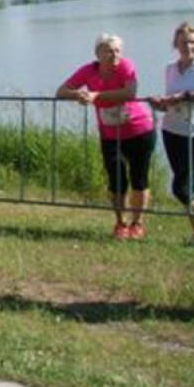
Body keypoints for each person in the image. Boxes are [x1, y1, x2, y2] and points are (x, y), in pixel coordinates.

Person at [58, 33, 156, 239]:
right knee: (116, 180)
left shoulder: (126, 67)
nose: (114, 55)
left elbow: (130, 92)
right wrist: (80, 94)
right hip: (110, 134)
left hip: (139, 130)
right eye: (109, 50)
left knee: (139, 178)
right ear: (98, 53)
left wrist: (96, 96)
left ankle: (137, 224)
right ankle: (120, 223)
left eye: (118, 50)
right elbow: (61, 91)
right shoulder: (88, 70)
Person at [149, 22, 194, 248]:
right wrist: (161, 103)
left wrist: (185, 96)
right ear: (175, 44)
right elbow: (171, 100)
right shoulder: (170, 68)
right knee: (187, 184)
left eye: (193, 42)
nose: (189, 46)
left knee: (181, 187)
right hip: (172, 129)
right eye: (184, 42)